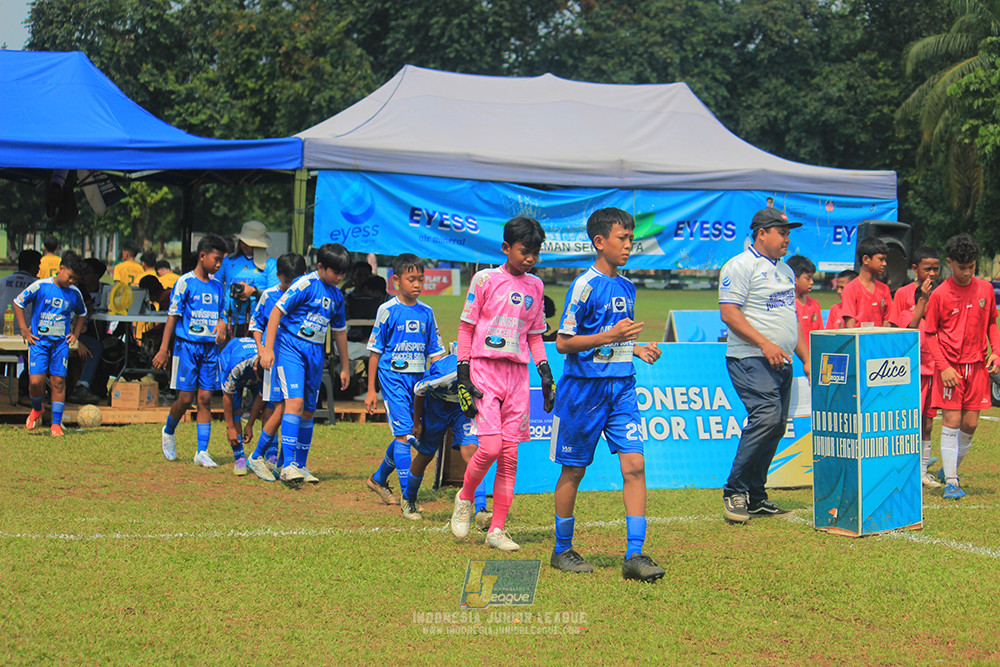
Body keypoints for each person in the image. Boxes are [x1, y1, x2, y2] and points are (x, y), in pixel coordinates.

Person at [548, 207, 665, 582]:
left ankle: (635, 554)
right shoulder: (584, 285)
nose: (629, 245)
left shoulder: (627, 286)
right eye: (622, 239)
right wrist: (610, 337)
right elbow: (564, 342)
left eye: (631, 238)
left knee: (635, 466)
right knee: (574, 470)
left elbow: (615, 339)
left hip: (622, 387)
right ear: (600, 242)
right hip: (583, 392)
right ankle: (562, 549)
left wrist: (637, 348)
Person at [448, 216, 555, 552]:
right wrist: (463, 371)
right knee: (490, 448)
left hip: (517, 377)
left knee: (510, 456)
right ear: (507, 247)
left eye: (536, 253)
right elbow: (466, 329)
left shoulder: (535, 287)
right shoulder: (485, 279)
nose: (530, 258)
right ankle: (465, 497)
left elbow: (535, 335)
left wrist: (545, 371)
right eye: (525, 251)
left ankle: (497, 529)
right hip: (483, 371)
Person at [718, 207, 809, 523]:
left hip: (780, 360)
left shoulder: (785, 270)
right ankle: (735, 491)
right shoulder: (740, 266)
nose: (787, 239)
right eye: (782, 232)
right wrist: (765, 344)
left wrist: (806, 357)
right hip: (750, 357)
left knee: (776, 426)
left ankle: (756, 495)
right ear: (761, 233)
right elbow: (729, 313)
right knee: (767, 417)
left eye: (788, 233)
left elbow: (789, 318)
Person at [260, 243, 351, 484]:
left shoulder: (337, 295)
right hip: (290, 348)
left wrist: (345, 366)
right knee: (295, 402)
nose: (341, 278)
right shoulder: (305, 284)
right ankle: (287, 465)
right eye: (337, 272)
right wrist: (268, 349)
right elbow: (277, 312)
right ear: (321, 267)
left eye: (344, 273)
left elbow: (339, 332)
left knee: (309, 409)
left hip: (315, 354)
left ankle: (301, 464)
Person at [364, 254, 445, 519]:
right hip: (393, 379)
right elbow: (375, 352)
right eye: (412, 279)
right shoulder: (387, 310)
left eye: (421, 279)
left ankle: (378, 479)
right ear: (396, 280)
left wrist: (441, 379)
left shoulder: (427, 312)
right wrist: (371, 389)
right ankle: (407, 498)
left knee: (412, 433)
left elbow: (436, 352)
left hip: (418, 384)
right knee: (403, 436)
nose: (417, 284)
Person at [923, 233, 1000, 500]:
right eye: (962, 267)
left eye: (972, 267)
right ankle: (952, 483)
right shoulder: (940, 294)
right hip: (950, 369)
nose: (967, 273)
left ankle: (949, 469)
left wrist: (996, 353)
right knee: (952, 421)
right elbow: (930, 333)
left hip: (977, 367)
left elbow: (992, 322)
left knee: (970, 424)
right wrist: (943, 366)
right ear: (950, 263)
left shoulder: (986, 290)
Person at [153, 235, 229, 467]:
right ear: (202, 256)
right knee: (186, 399)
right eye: (216, 259)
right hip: (186, 347)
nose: (218, 265)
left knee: (205, 398)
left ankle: (202, 451)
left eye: (222, 261)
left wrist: (223, 323)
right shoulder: (185, 282)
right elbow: (172, 316)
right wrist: (164, 349)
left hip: (210, 349)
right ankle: (169, 430)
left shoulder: (218, 286)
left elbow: (222, 313)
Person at [246, 252, 307, 482]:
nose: (293, 285)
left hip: (297, 359)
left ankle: (280, 461)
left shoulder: (305, 293)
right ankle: (261, 455)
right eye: (288, 280)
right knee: (277, 405)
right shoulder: (270, 295)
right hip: (275, 357)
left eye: (297, 279)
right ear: (279, 276)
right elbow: (256, 324)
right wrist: (262, 349)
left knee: (286, 406)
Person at [13, 251, 88, 436]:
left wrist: (75, 335)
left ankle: (56, 423)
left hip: (60, 344)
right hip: (39, 342)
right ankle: (37, 408)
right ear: (60, 268)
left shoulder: (75, 293)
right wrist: (24, 329)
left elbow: (82, 313)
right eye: (70, 277)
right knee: (36, 382)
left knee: (58, 382)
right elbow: (18, 302)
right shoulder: (41, 285)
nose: (72, 282)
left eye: (75, 280)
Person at [412, 352, 491, 526]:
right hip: (436, 406)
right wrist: (417, 422)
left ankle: (481, 510)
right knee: (426, 455)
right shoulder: (445, 375)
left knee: (472, 454)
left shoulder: (484, 370)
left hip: (460, 408)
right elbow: (419, 390)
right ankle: (409, 499)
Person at [888, 246, 942, 487]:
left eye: (936, 268)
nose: (932, 273)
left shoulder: (943, 294)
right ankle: (900, 469)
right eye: (927, 268)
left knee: (928, 422)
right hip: (909, 370)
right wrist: (923, 301)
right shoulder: (903, 294)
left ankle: (921, 471)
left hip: (935, 367)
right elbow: (904, 331)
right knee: (905, 420)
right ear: (914, 269)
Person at [216, 221, 278, 337]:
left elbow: (274, 296)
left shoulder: (270, 265)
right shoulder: (229, 261)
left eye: (249, 243)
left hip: (256, 325)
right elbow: (216, 285)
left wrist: (254, 291)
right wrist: (220, 317)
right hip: (228, 322)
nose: (244, 245)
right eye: (242, 242)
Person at [219, 336, 263, 476]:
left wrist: (250, 423)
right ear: (255, 369)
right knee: (235, 410)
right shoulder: (237, 364)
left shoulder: (268, 365)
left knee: (270, 405)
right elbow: (227, 396)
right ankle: (240, 459)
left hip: (257, 369)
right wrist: (230, 427)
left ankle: (270, 457)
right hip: (231, 358)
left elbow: (262, 396)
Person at [842, 238, 892, 328]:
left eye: (885, 260)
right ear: (866, 259)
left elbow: (887, 320)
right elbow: (850, 322)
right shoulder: (851, 288)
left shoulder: (884, 289)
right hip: (859, 340)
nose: (884, 264)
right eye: (881, 259)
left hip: (879, 340)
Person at [786, 255, 822, 345]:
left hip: (810, 356)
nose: (812, 282)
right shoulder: (785, 304)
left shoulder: (815, 305)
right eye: (808, 278)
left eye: (812, 278)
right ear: (794, 279)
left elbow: (820, 333)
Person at [0, 249, 41, 318]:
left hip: (5, 325)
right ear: (32, 266)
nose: (39, 269)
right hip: (27, 326)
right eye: (38, 265)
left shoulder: (2, 281)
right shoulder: (37, 285)